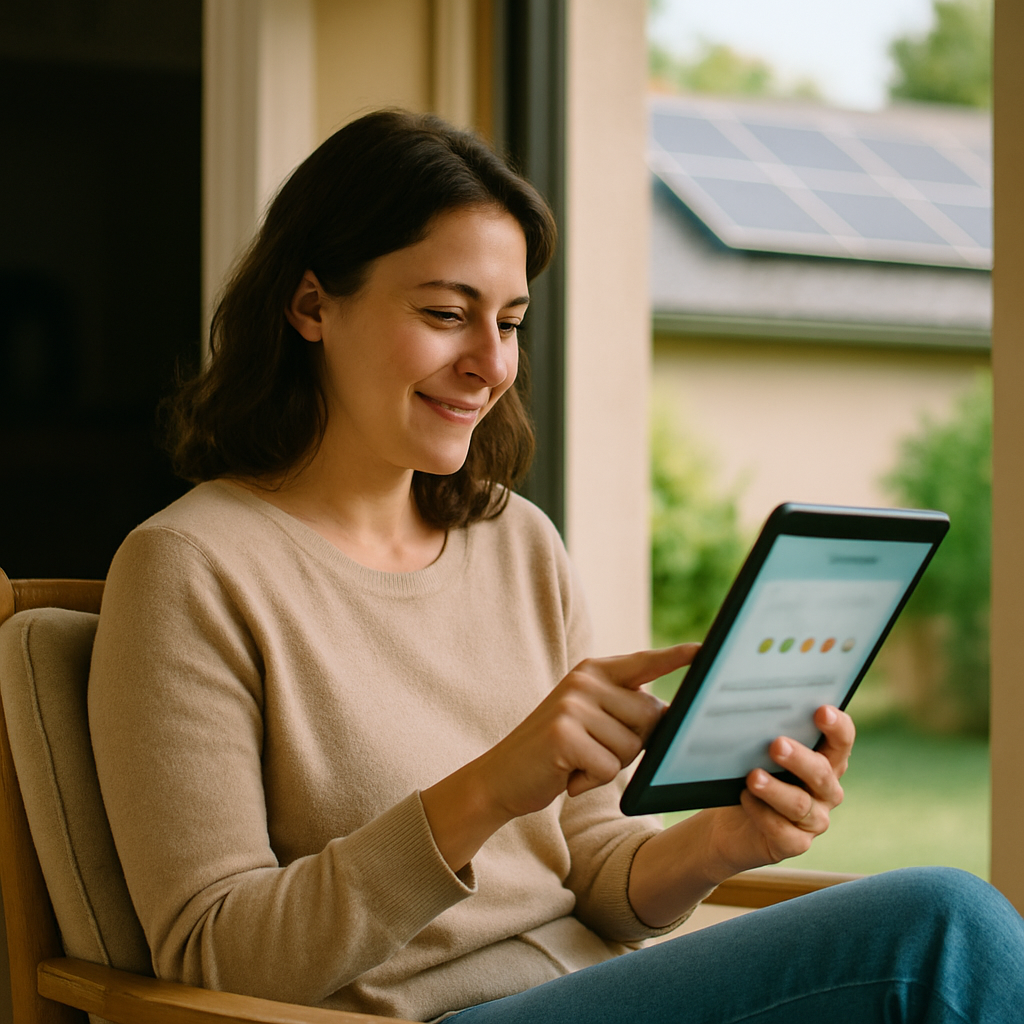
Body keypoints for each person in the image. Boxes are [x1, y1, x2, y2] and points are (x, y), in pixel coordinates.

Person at [88, 109, 1024, 1024]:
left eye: (511, 321)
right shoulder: (189, 569)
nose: (490, 365)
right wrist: (488, 789)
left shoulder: (518, 542)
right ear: (309, 306)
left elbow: (597, 874)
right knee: (943, 929)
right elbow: (211, 954)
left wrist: (722, 842)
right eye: (447, 314)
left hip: (583, 989)